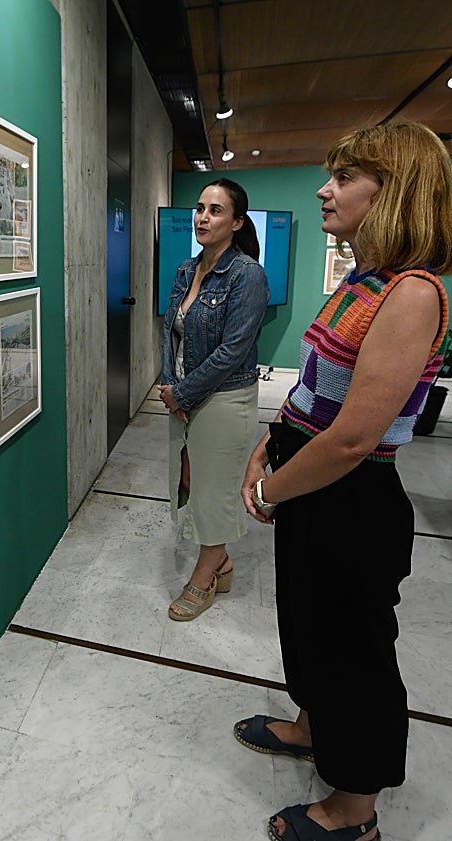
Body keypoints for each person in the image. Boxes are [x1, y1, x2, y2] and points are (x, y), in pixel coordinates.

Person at [235, 120, 452, 841]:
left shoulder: (413, 293)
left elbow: (356, 435)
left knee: (352, 648)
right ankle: (309, 724)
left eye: (344, 176)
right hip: (310, 474)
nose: (323, 189)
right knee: (305, 621)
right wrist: (267, 444)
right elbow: (312, 393)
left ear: (391, 192)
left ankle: (353, 809)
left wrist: (273, 489)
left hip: (352, 497)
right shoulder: (363, 281)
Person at [158, 178, 270, 620]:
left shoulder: (247, 274)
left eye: (216, 210)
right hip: (184, 394)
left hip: (223, 397)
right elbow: (171, 331)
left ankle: (204, 577)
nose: (203, 217)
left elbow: (233, 350)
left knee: (213, 490)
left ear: (237, 222)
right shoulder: (188, 269)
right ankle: (222, 562)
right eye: (200, 208)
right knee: (187, 481)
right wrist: (170, 387)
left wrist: (182, 392)